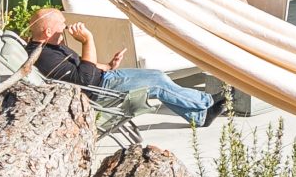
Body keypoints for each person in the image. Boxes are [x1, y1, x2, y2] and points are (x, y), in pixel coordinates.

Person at [21, 7, 217, 126]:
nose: (66, 27)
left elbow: (80, 66)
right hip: (99, 91)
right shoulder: (44, 56)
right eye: (62, 25)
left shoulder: (51, 45)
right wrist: (88, 40)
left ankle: (199, 115)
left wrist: (107, 65)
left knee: (158, 75)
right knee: (156, 85)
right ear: (47, 31)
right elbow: (84, 80)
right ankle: (206, 103)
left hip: (104, 78)